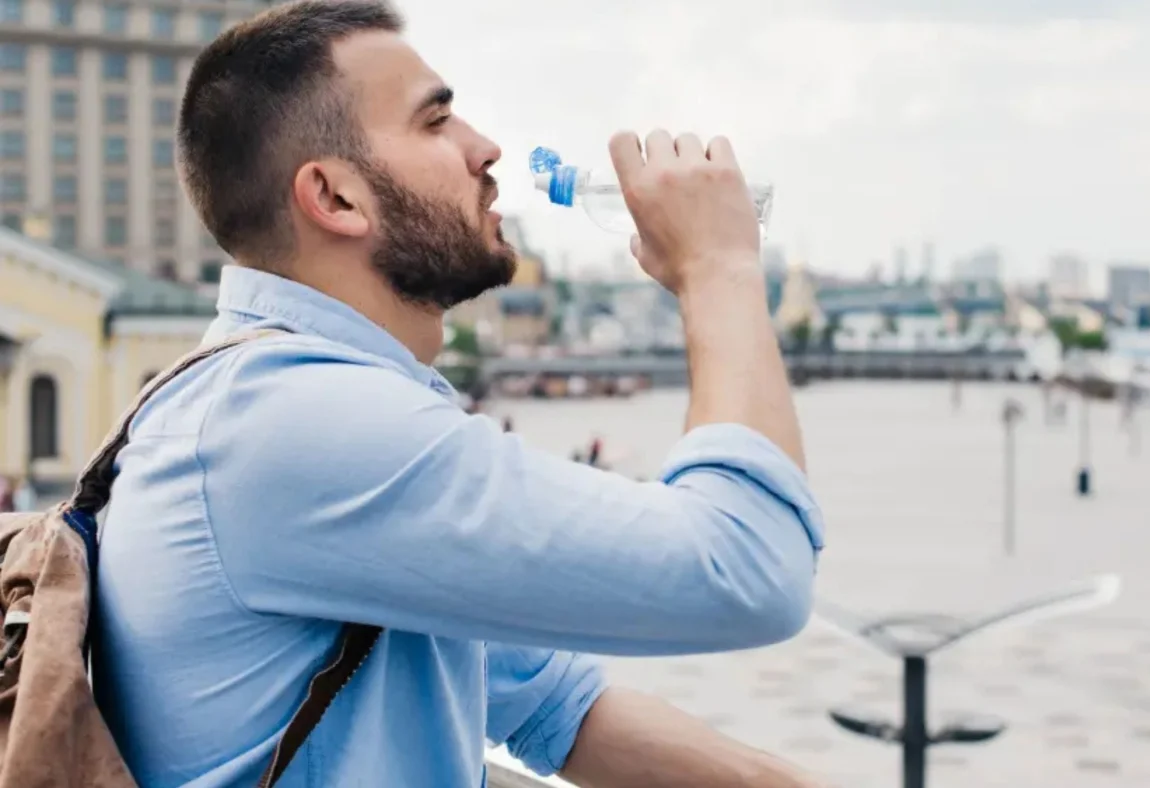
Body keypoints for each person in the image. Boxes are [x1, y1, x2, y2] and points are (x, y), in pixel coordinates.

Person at [94, 2, 824, 787]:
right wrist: (720, 268)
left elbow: (553, 705)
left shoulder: (281, 401)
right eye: (436, 121)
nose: (486, 148)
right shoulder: (295, 423)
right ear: (334, 198)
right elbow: (750, 569)